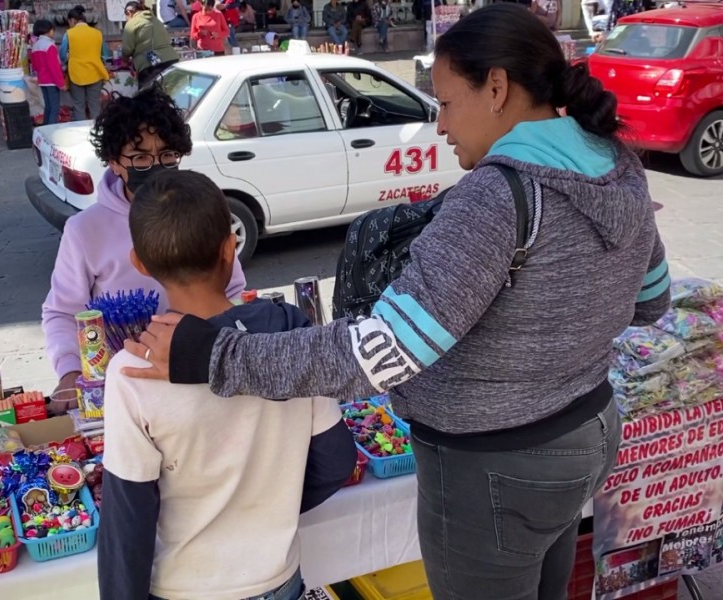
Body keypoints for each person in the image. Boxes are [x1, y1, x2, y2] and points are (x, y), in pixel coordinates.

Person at [124, 5, 674, 599]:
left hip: (495, 466)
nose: (440, 126)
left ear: (496, 87)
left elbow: (380, 353)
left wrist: (216, 358)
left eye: (445, 101)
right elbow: (651, 300)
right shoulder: (618, 167)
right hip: (585, 433)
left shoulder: (498, 198)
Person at [98, 169, 355, 600]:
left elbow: (128, 521)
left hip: (185, 587)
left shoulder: (132, 370)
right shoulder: (289, 336)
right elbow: (335, 460)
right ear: (230, 247)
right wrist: (271, 507)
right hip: (278, 578)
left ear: (138, 263)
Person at [42, 87, 246, 398]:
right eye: (139, 158)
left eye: (166, 155)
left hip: (200, 370)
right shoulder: (84, 230)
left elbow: (232, 291)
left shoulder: (202, 209)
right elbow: (63, 312)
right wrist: (70, 371)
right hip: (123, 382)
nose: (155, 166)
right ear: (114, 162)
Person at [60, 5, 109, 121]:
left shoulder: (69, 34)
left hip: (76, 74)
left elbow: (62, 55)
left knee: (78, 106)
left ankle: (79, 133)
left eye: (69, 22)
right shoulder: (97, 33)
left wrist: (69, 59)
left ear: (72, 20)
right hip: (95, 73)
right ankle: (97, 132)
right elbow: (105, 55)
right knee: (94, 105)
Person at [122, 1, 179, 89]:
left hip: (150, 66)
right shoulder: (155, 20)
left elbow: (127, 48)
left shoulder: (132, 22)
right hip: (172, 60)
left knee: (148, 96)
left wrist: (125, 61)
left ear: (129, 12)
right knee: (171, 93)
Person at [30, 19, 65, 126]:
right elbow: (54, 67)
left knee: (48, 106)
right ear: (48, 30)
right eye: (52, 30)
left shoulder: (35, 45)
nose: (53, 32)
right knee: (54, 107)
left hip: (42, 80)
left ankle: (45, 127)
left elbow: (35, 65)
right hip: (52, 81)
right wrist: (61, 83)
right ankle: (51, 130)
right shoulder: (49, 45)